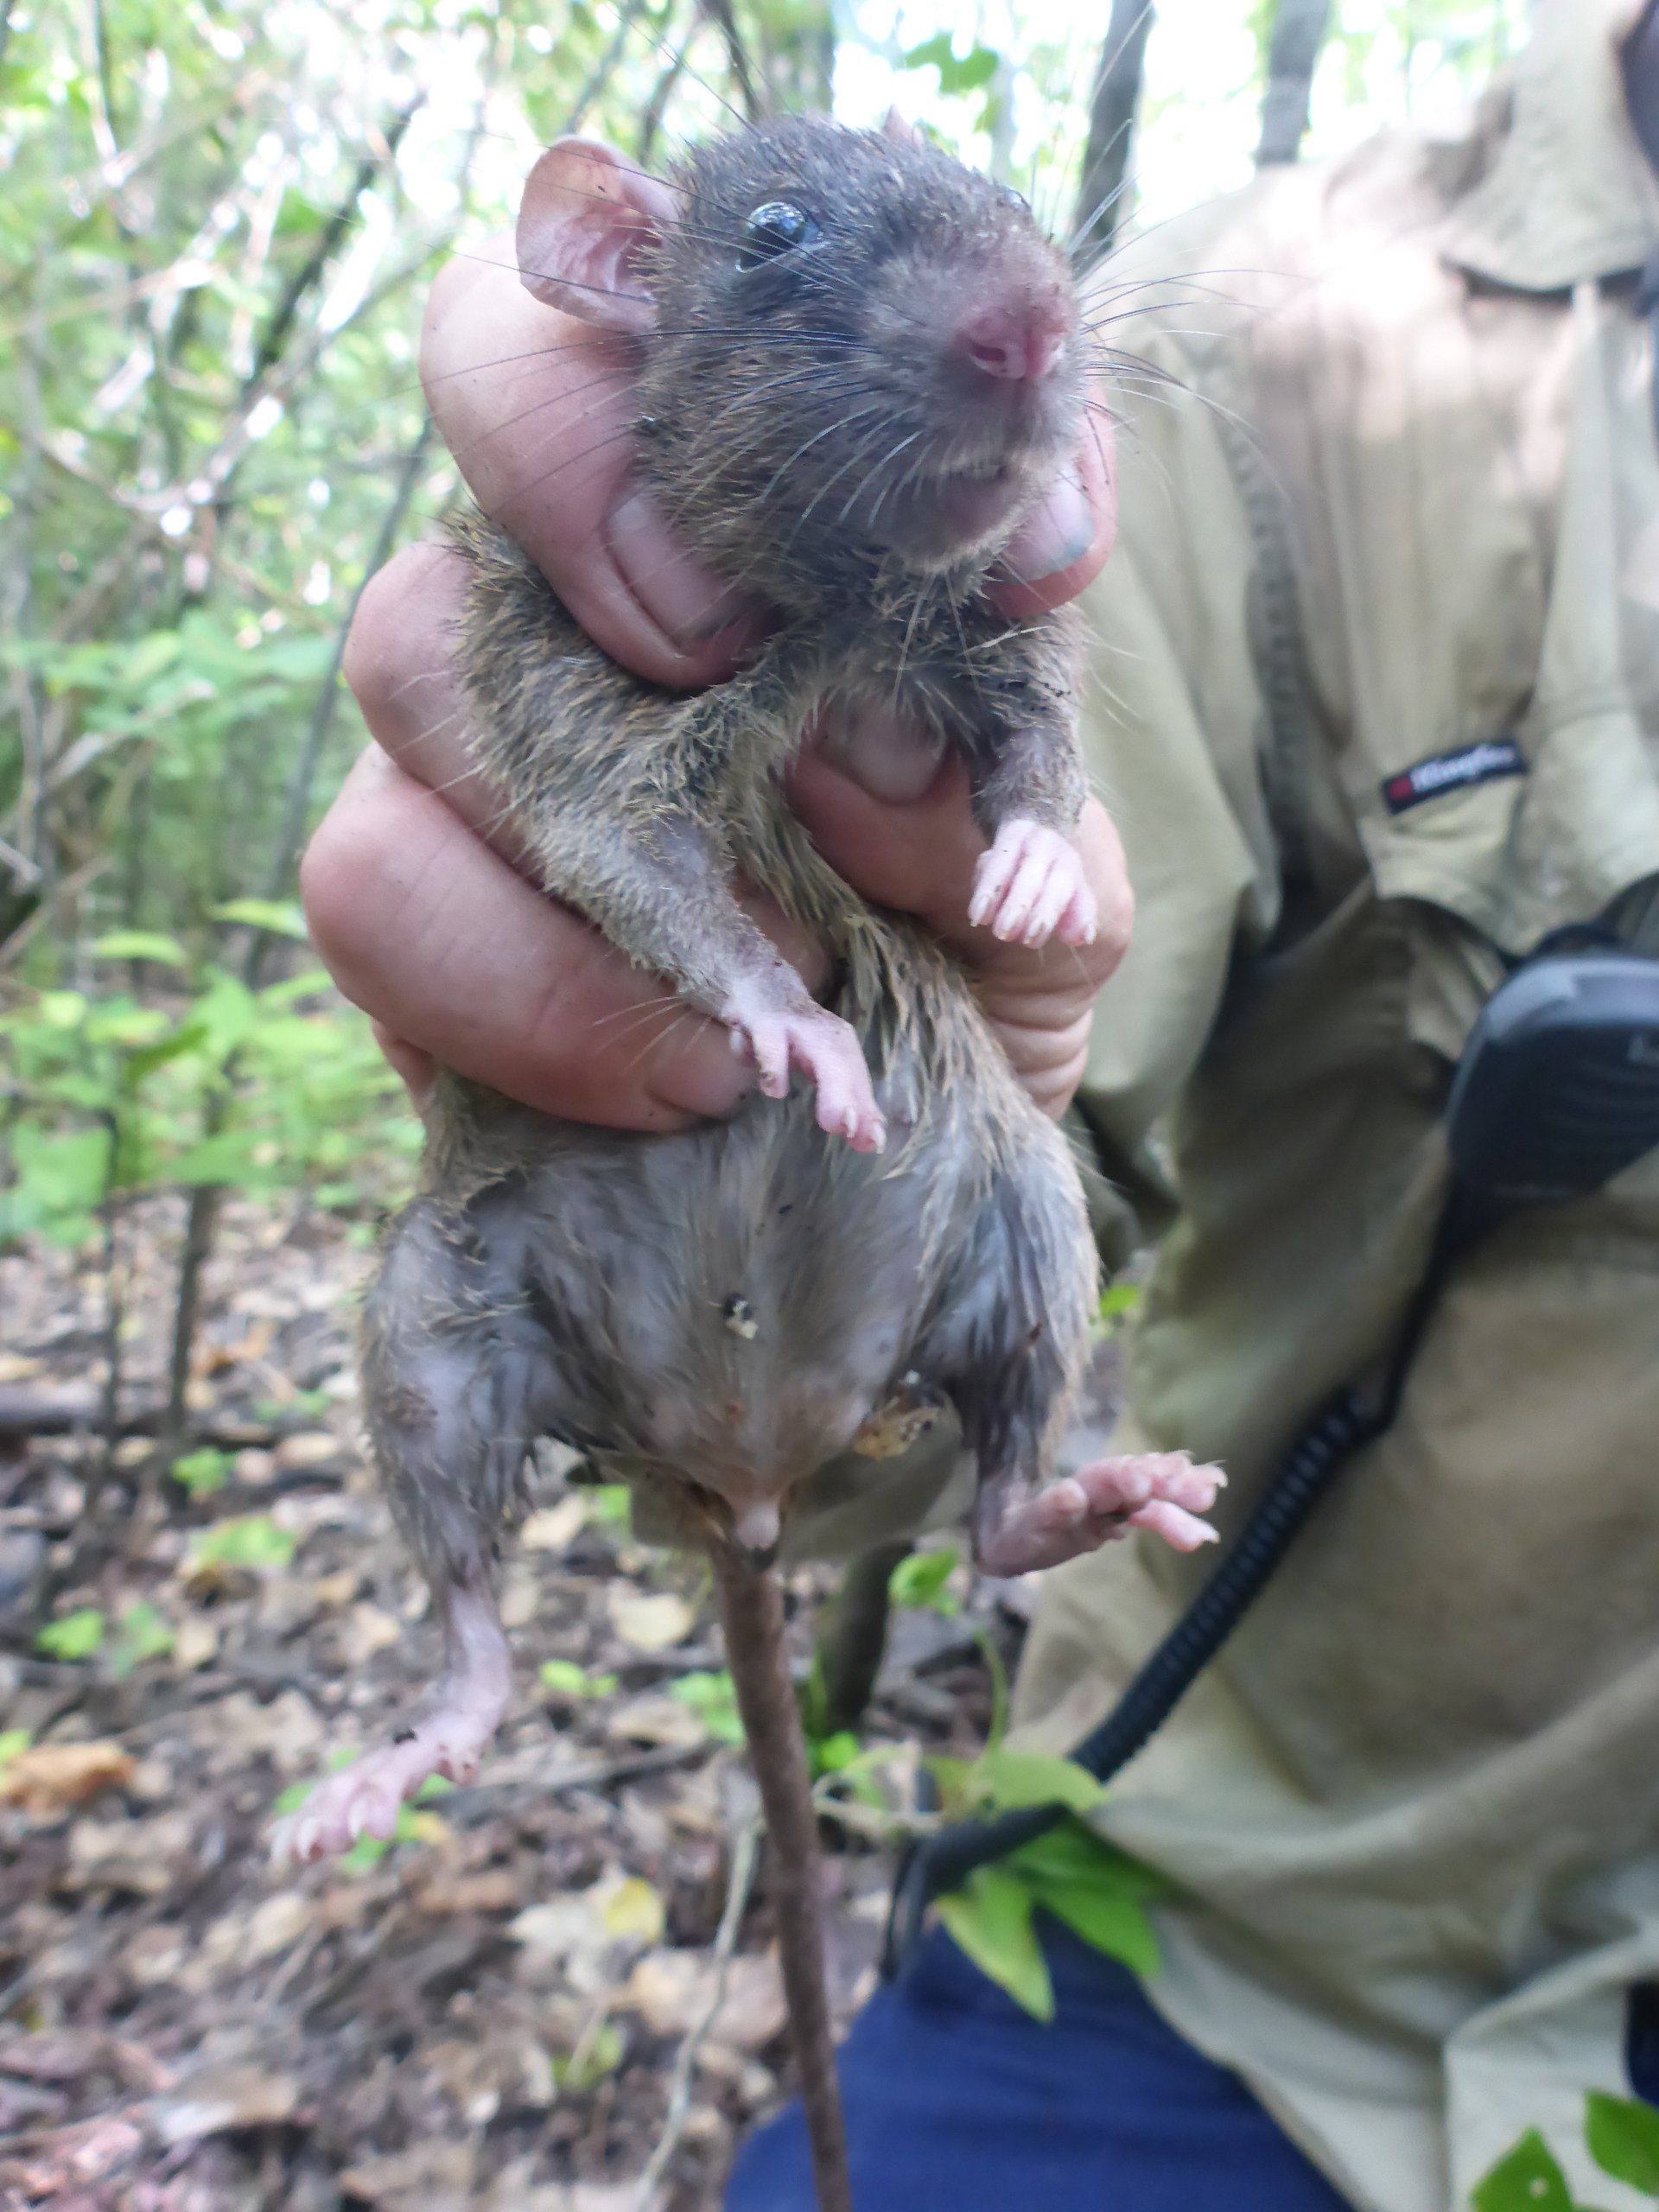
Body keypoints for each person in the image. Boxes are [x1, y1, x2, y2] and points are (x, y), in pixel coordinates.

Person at [302, 0, 1659, 2201]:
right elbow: (861, 1379)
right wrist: (759, 1018)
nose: (1025, 334)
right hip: (1294, 1947)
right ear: (613, 272)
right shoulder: (1276, 360)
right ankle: (545, 1622)